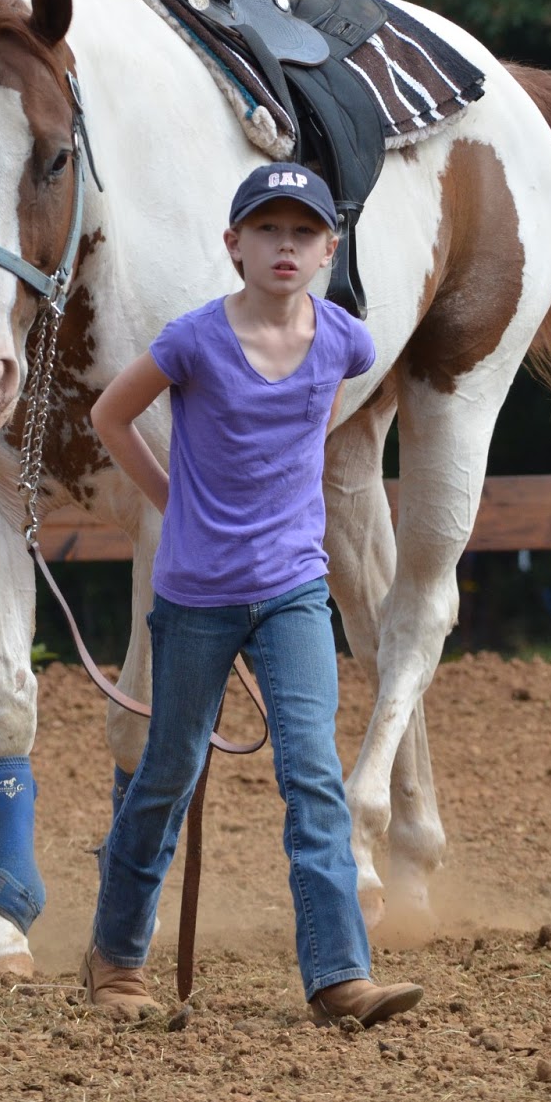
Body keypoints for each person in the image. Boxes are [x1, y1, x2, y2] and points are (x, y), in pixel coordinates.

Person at [84, 162, 423, 1028]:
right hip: (195, 596)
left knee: (313, 778)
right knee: (165, 775)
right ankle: (116, 961)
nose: (285, 246)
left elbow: (315, 428)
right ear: (233, 244)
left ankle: (339, 976)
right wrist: (172, 502)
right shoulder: (192, 341)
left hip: (293, 592)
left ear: (328, 250)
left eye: (302, 233)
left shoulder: (346, 342)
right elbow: (109, 416)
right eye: (267, 230)